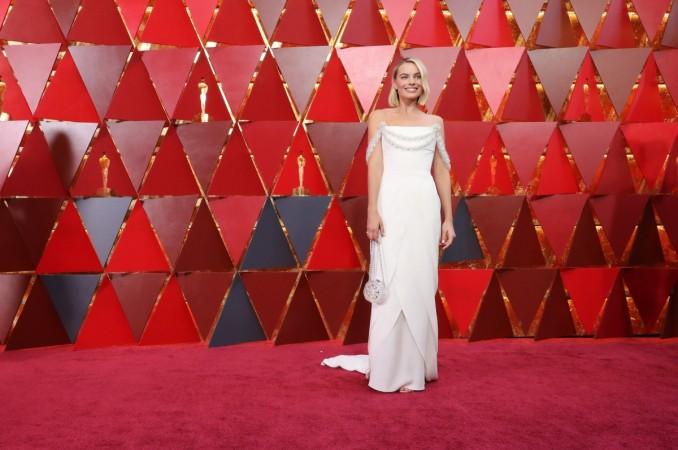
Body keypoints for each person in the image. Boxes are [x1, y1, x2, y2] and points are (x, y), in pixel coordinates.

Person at [322, 57, 454, 393]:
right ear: (394, 83)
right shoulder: (379, 118)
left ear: (423, 83)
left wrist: (448, 218)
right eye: (404, 76)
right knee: (391, 283)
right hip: (391, 204)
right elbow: (375, 167)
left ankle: (414, 368)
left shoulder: (435, 121)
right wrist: (372, 212)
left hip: (425, 206)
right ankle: (387, 367)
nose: (411, 82)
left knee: (419, 281)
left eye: (417, 77)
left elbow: (440, 171)